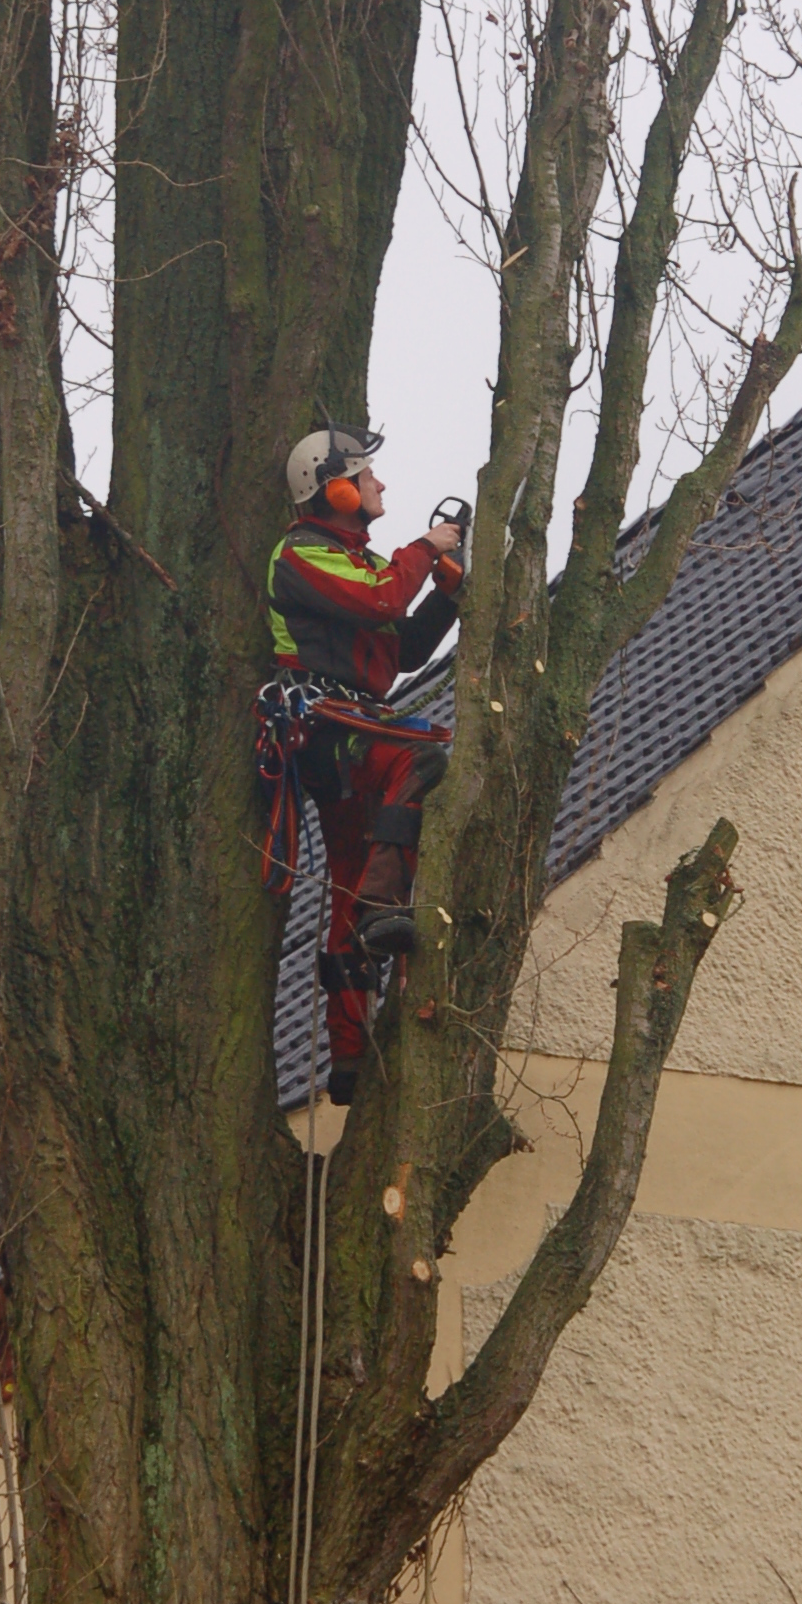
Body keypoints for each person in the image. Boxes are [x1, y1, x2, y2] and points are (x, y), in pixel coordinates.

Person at [268, 427, 464, 1104]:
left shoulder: (357, 563)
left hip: (347, 727)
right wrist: (424, 550)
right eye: (370, 477)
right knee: (418, 759)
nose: (380, 487)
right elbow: (383, 599)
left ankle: (347, 1053)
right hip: (327, 727)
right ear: (339, 488)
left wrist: (446, 595)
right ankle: (387, 908)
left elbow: (401, 646)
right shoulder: (302, 554)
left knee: (350, 876)